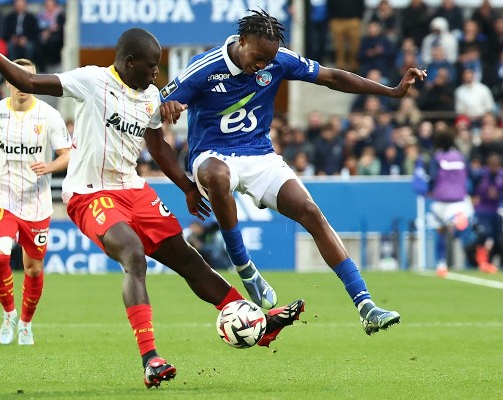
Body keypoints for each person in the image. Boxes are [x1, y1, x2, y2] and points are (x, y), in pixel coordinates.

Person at [0, 28, 305, 388]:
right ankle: (151, 359)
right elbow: (30, 81)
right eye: (151, 67)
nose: (156, 75)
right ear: (129, 62)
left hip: (132, 189)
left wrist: (188, 188)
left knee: (188, 258)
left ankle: (257, 321)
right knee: (133, 255)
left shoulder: (149, 97)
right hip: (89, 193)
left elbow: (158, 147)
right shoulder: (92, 81)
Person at [160, 9, 427, 333]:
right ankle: (246, 269)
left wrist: (391, 91)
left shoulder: (279, 60)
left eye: (267, 60)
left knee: (311, 212)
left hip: (260, 156)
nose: (262, 66)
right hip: (212, 156)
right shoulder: (203, 68)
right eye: (257, 57)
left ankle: (365, 304)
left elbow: (331, 77)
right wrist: (169, 106)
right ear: (242, 41)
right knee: (218, 179)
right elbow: (156, 111)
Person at [0, 58, 71, 346]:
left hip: (36, 201)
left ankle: (26, 323)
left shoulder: (49, 116)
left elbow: (66, 154)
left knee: (33, 269)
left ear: (35, 83)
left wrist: (49, 167)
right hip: (1, 194)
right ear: (8, 81)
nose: (22, 85)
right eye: (17, 78)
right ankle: (9, 313)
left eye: (28, 79)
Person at [428, 130, 474, 274]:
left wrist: (429, 189)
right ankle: (468, 262)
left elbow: (433, 176)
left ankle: (441, 264)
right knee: (462, 230)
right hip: (458, 200)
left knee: (440, 232)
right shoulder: (461, 157)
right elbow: (470, 175)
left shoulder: (437, 157)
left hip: (441, 200)